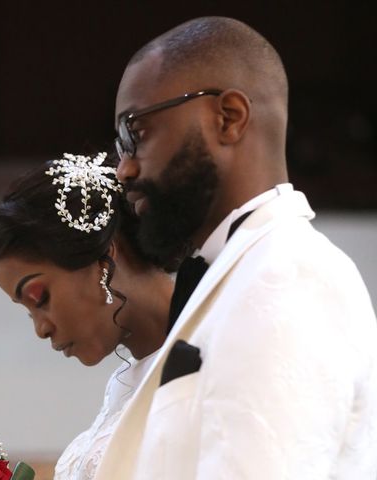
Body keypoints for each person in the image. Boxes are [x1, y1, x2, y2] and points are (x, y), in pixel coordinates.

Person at [92, 16, 377, 479]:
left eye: (136, 134)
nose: (123, 169)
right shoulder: (240, 269)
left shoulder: (289, 273)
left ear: (228, 118)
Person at [0, 152, 173, 479]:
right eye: (28, 313)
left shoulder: (213, 354)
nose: (40, 329)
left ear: (103, 256)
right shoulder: (122, 388)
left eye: (40, 298)